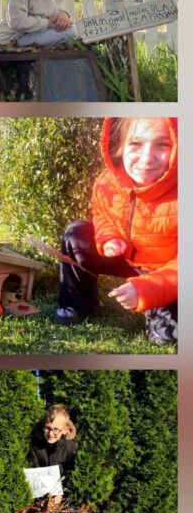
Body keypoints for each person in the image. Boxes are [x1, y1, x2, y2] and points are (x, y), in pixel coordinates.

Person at [54, 117, 178, 346]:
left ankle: (157, 313)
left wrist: (147, 288)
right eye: (136, 144)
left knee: (167, 336)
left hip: (164, 269)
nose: (147, 158)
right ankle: (77, 303)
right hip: (125, 256)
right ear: (120, 145)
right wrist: (108, 237)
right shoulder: (107, 182)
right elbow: (101, 214)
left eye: (163, 144)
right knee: (76, 234)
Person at [29, 405, 77, 476]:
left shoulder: (70, 447)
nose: (50, 433)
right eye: (47, 428)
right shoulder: (36, 447)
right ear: (43, 426)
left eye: (56, 429)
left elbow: (72, 471)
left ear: (65, 430)